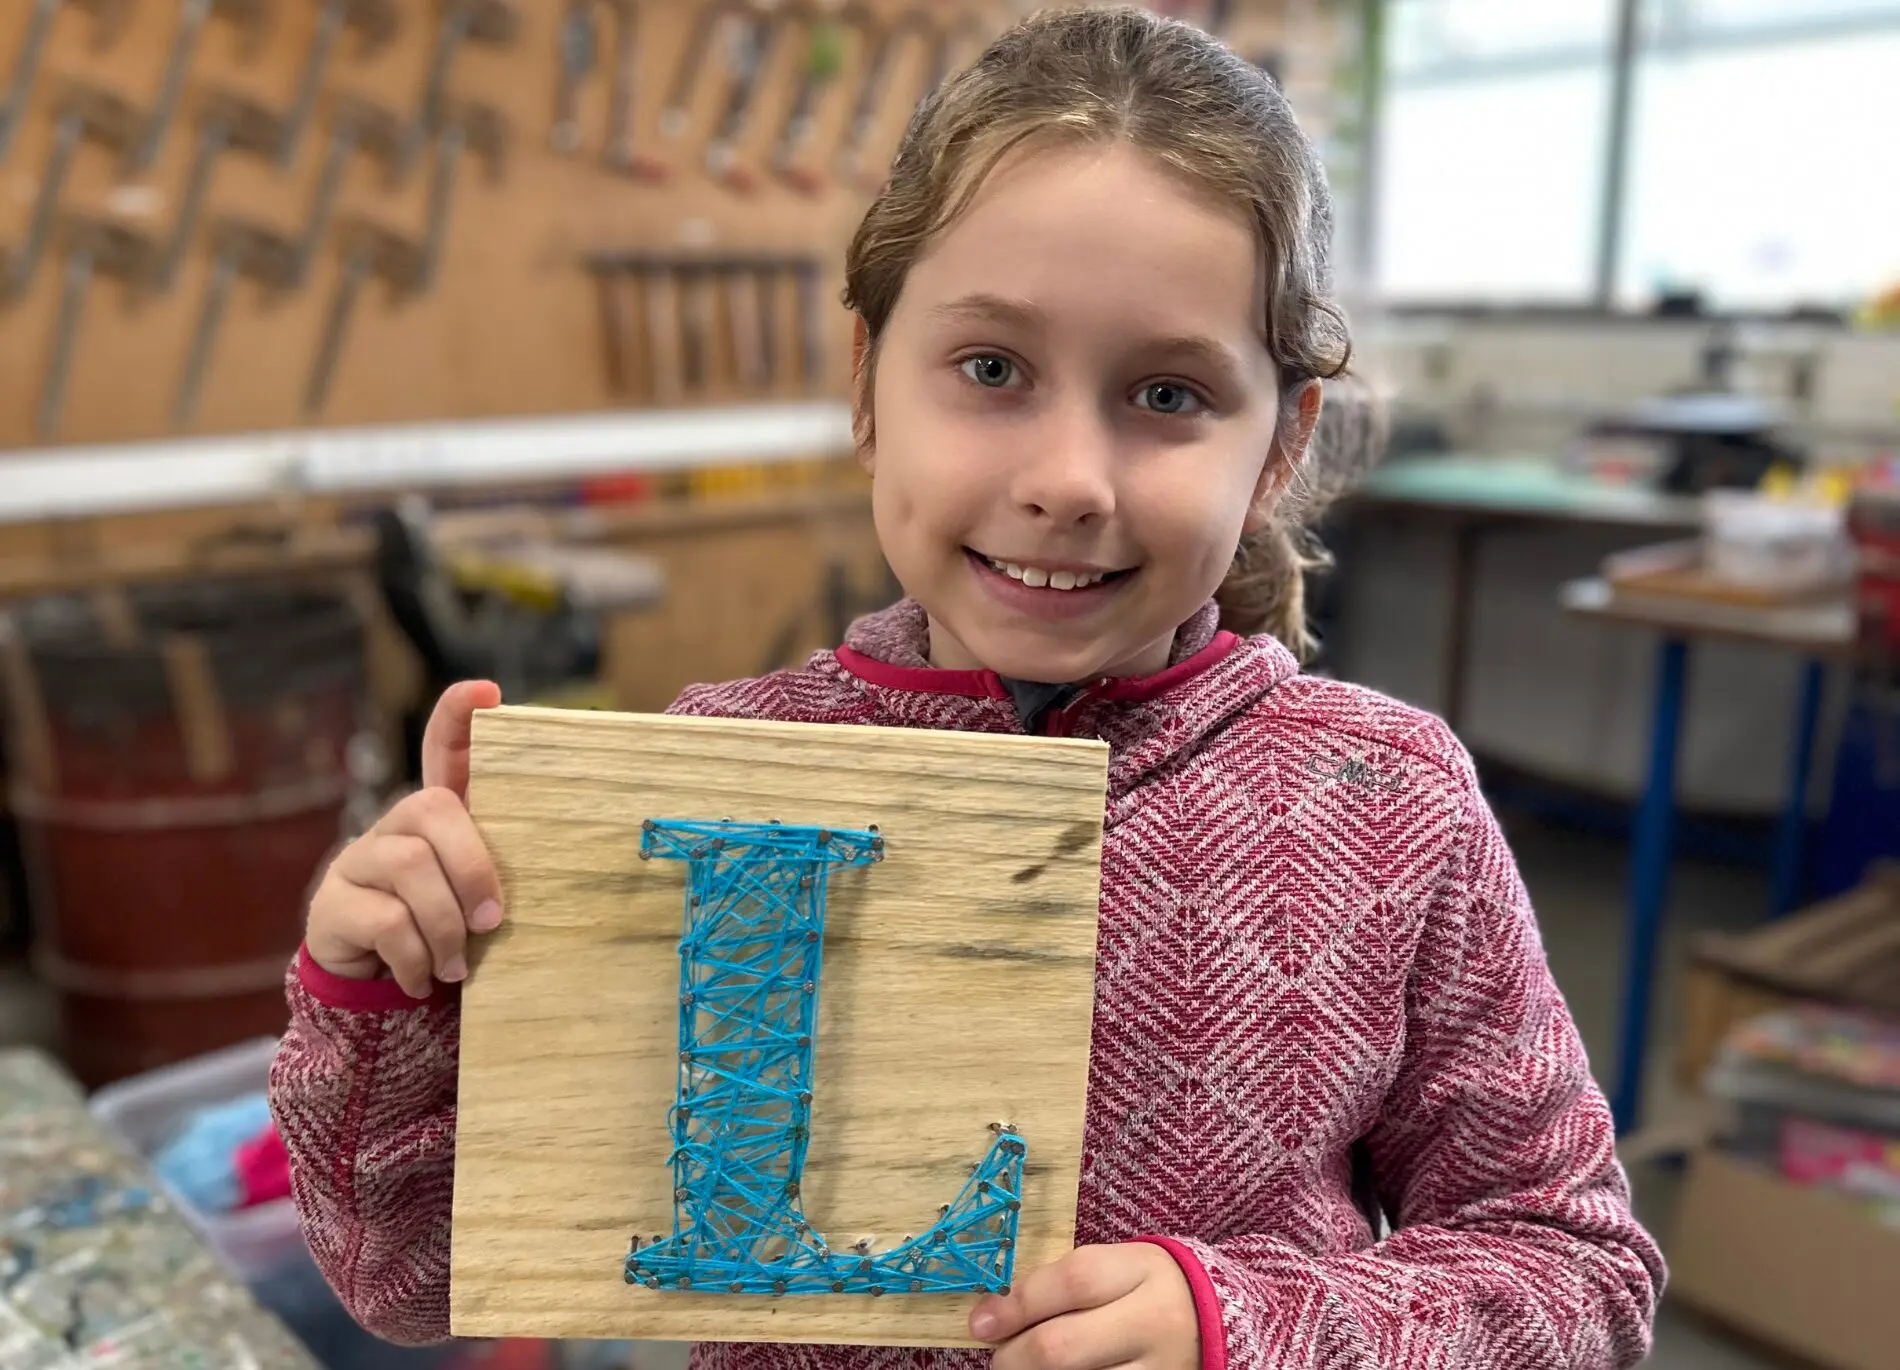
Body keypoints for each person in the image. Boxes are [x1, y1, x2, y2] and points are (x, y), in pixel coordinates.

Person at [270, 8, 1665, 1369]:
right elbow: (412, 1280)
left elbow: (1577, 1271)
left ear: (1282, 443)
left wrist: (1255, 1325)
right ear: (872, 382)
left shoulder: (1386, 802)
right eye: (991, 368)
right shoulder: (716, 777)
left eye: (1169, 394)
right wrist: (381, 992)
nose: (1067, 477)